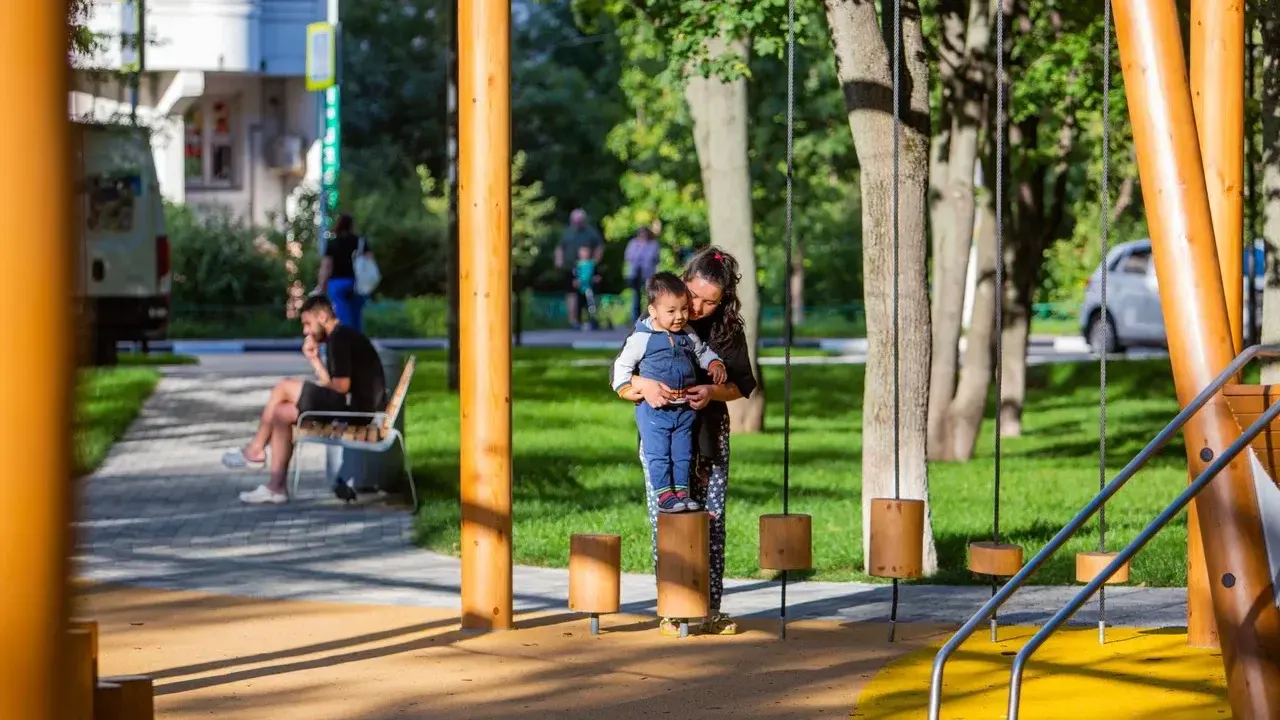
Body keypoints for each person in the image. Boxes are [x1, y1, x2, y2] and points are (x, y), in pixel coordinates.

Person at [614, 246, 757, 637]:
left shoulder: (726, 330)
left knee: (710, 522)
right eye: (693, 295)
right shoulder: (654, 321)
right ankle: (673, 608)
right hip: (661, 434)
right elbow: (624, 374)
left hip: (708, 437)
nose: (696, 308)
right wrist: (641, 385)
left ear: (723, 300)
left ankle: (709, 608)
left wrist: (712, 391)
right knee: (668, 518)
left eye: (710, 302)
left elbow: (742, 385)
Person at [221, 295, 386, 504]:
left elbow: (341, 388)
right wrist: (315, 360)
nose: (305, 331)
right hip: (353, 408)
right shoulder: (340, 337)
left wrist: (313, 389)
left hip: (355, 412)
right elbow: (335, 384)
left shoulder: (340, 338)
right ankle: (276, 488)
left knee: (284, 387)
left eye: (308, 324)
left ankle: (255, 450)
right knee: (281, 414)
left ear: (323, 316)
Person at [611, 272, 727, 513]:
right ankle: (665, 495)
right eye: (671, 311)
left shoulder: (687, 333)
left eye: (684, 309)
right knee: (659, 453)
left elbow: (702, 352)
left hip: (684, 409)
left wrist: (714, 364)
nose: (680, 316)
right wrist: (626, 388)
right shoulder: (642, 338)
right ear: (653, 311)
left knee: (683, 453)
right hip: (655, 411)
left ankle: (682, 493)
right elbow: (621, 366)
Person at [315, 214, 374, 332]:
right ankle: (357, 344)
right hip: (357, 284)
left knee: (343, 319)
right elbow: (369, 262)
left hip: (337, 284)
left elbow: (327, 267)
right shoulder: (360, 242)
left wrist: (321, 286)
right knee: (357, 318)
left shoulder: (333, 243)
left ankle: (345, 344)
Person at [554, 208, 603, 329]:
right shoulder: (568, 231)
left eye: (579, 221)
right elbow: (560, 247)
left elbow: (599, 246)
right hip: (570, 267)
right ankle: (573, 320)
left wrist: (595, 262)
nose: (577, 223)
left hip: (587, 269)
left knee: (588, 294)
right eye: (575, 221)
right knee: (571, 294)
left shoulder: (590, 232)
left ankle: (591, 318)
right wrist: (558, 260)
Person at [623, 226, 661, 320]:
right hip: (635, 273)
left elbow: (653, 257)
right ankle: (635, 318)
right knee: (636, 296)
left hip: (648, 273)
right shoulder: (633, 243)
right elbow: (629, 256)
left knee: (649, 295)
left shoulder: (653, 244)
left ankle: (650, 317)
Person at [573, 244, 602, 331]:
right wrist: (575, 281)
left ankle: (593, 321)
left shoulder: (592, 264)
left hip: (589, 288)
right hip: (580, 288)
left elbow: (597, 275)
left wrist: (596, 279)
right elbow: (574, 275)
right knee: (579, 305)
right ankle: (578, 322)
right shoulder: (578, 264)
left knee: (591, 306)